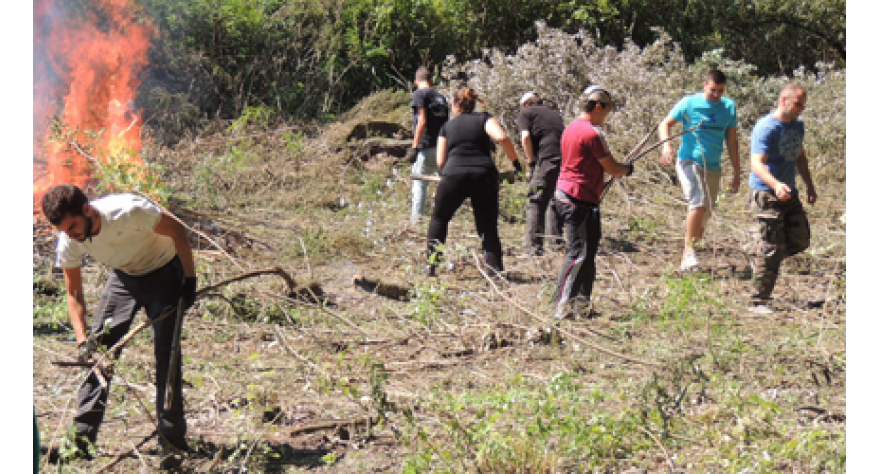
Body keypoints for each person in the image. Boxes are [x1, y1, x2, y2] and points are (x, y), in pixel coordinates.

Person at [40, 184, 197, 461]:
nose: (72, 234)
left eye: (74, 226)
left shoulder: (131, 211)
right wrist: (81, 340)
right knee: (98, 351)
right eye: (65, 230)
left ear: (87, 209)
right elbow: (74, 293)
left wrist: (189, 279)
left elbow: (178, 232)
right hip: (125, 277)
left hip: (163, 270)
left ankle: (171, 441)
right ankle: (81, 441)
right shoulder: (69, 240)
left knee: (167, 354)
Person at [553, 86, 633, 319]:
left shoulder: (570, 128)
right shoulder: (591, 133)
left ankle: (581, 306)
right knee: (577, 254)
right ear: (599, 107)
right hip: (576, 199)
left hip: (581, 197)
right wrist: (627, 169)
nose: (607, 115)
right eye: (607, 110)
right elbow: (613, 168)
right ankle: (559, 309)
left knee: (589, 254)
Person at [426, 87, 521, 276]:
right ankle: (495, 272)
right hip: (484, 175)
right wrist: (516, 163)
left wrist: (451, 172)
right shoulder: (484, 119)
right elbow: (502, 137)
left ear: (455, 105)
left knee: (439, 219)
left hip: (454, 175)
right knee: (488, 227)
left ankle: (432, 266)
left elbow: (440, 161)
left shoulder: (447, 127)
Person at [659, 69, 741, 271]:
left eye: (720, 91)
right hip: (689, 160)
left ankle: (688, 258)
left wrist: (737, 171)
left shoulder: (728, 107)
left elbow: (732, 141)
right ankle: (689, 252)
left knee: (705, 213)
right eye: (713, 90)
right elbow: (665, 124)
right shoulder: (689, 103)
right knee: (698, 203)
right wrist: (667, 146)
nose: (716, 95)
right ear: (705, 85)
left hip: (713, 165)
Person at [747, 83, 817, 314]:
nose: (801, 109)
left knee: (801, 239)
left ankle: (760, 254)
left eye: (803, 105)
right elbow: (756, 164)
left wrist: (809, 185)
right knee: (772, 249)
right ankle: (758, 301)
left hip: (790, 193)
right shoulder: (767, 128)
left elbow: (800, 157)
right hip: (767, 194)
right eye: (797, 104)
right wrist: (775, 185)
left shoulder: (798, 125)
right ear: (783, 101)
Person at [517, 91, 565, 256]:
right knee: (554, 200)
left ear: (525, 104)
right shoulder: (555, 115)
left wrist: (531, 161)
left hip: (545, 160)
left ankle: (534, 248)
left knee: (535, 201)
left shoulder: (526, 113)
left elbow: (525, 137)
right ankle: (556, 243)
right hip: (564, 160)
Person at [409, 66, 450, 223]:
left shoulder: (419, 94)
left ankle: (416, 219)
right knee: (445, 184)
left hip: (426, 147)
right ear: (431, 81)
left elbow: (422, 121)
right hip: (442, 147)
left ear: (416, 81)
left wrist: (414, 146)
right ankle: (444, 217)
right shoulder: (441, 97)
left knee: (420, 183)